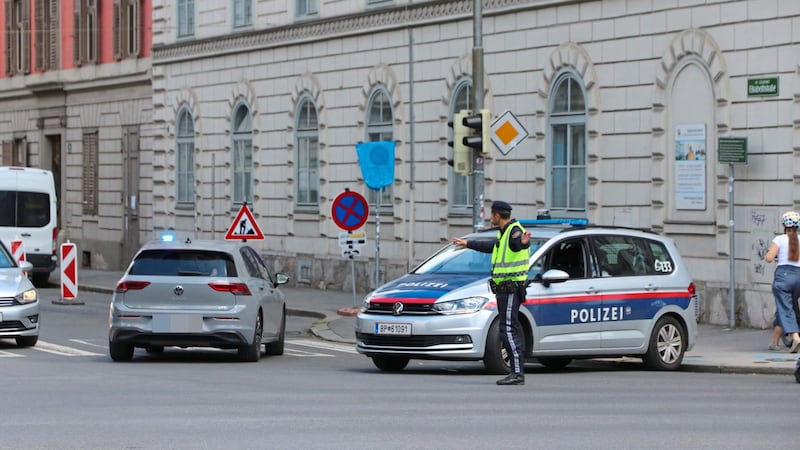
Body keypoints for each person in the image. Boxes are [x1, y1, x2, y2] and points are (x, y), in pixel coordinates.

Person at [451, 200, 531, 385]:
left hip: (511, 289)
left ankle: (517, 373)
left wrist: (523, 243)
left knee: (508, 331)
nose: (490, 217)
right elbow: (490, 246)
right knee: (507, 330)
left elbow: (518, 243)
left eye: (491, 214)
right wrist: (467, 243)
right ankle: (516, 372)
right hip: (503, 290)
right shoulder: (504, 233)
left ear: (496, 215)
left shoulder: (514, 232)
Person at [764, 211, 800, 353]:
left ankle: (795, 336)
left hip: (783, 277)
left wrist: (770, 253)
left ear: (784, 225)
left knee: (785, 308)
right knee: (786, 306)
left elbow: (768, 258)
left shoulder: (779, 239)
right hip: (798, 277)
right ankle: (774, 342)